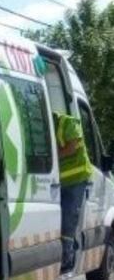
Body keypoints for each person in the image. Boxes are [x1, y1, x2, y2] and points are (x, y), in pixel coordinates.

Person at [53, 111, 93, 271]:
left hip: (77, 178)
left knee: (69, 217)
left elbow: (71, 148)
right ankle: (66, 252)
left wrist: (51, 155)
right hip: (59, 181)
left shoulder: (69, 122)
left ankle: (67, 258)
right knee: (60, 218)